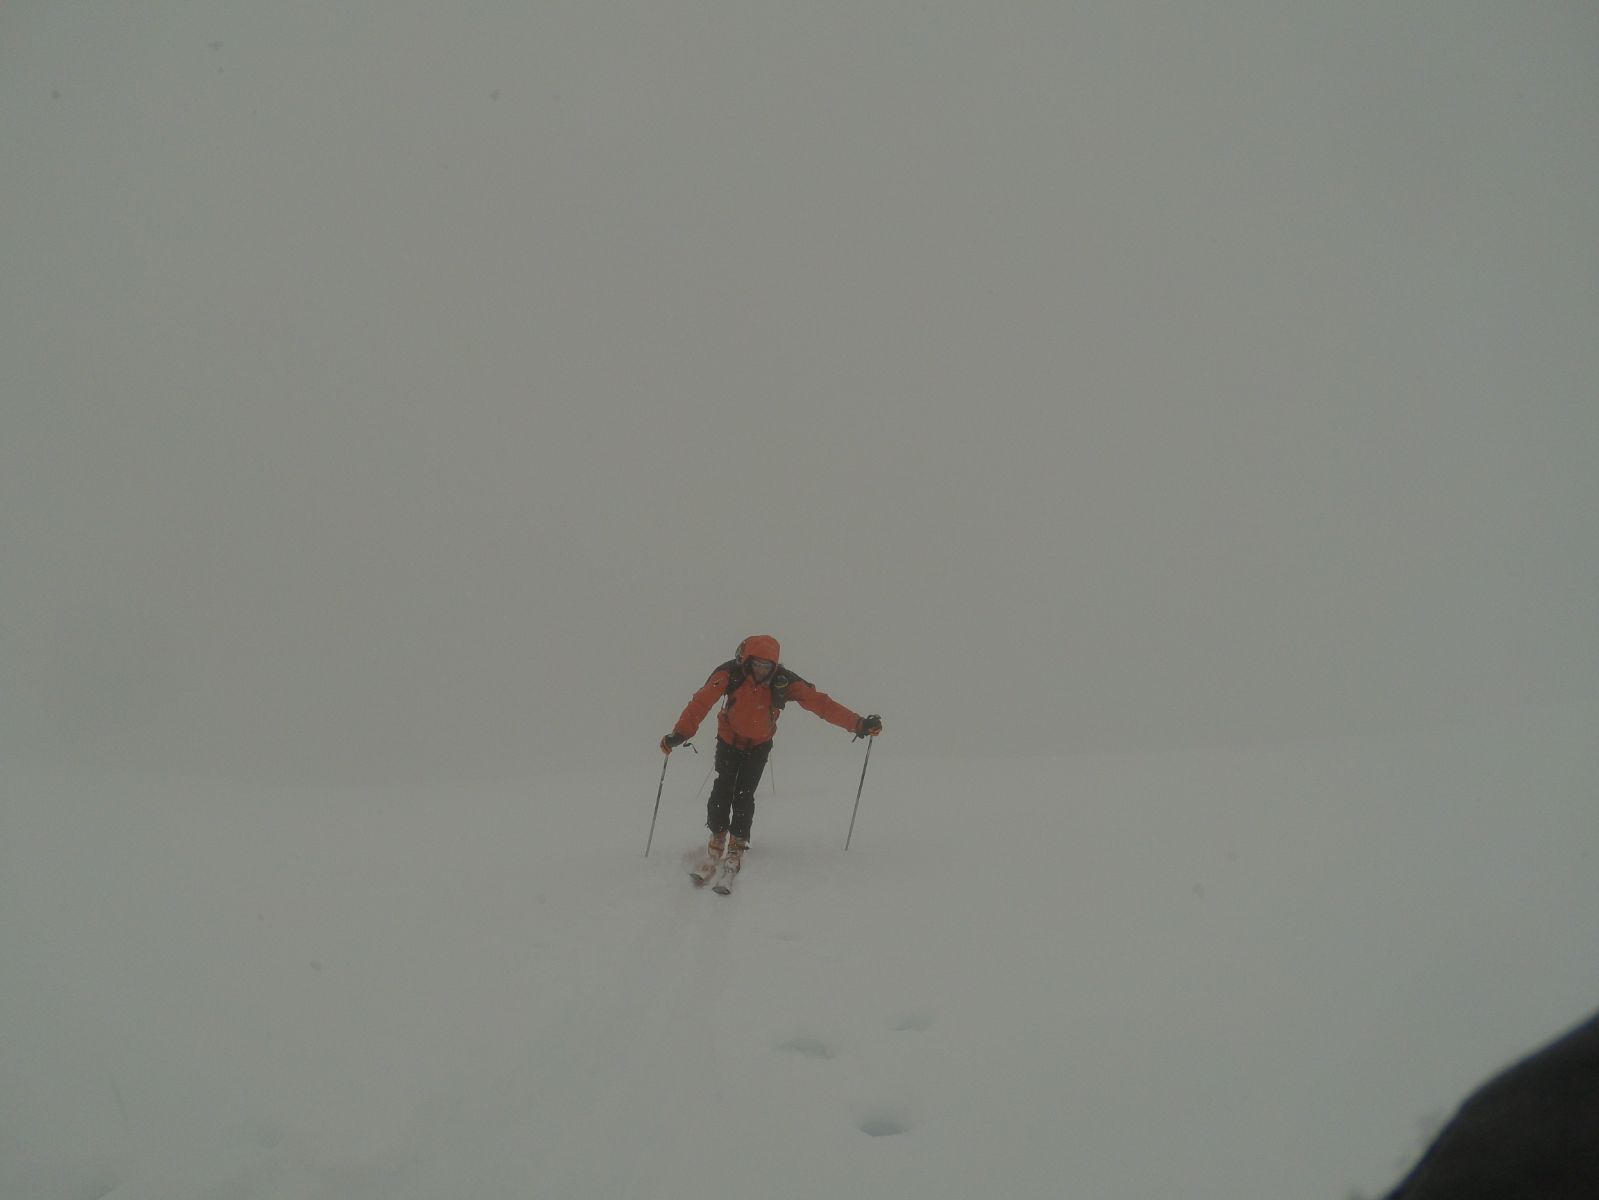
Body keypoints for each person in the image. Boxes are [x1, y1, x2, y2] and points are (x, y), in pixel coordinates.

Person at [661, 634, 880, 881]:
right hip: (728, 741)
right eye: (757, 664)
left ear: (774, 665)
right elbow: (700, 703)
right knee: (722, 788)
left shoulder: (783, 681)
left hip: (759, 745)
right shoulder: (729, 674)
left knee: (744, 793)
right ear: (747, 660)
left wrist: (859, 724)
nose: (761, 670)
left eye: (767, 666)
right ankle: (718, 836)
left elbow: (821, 704)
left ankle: (738, 841)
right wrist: (680, 733)